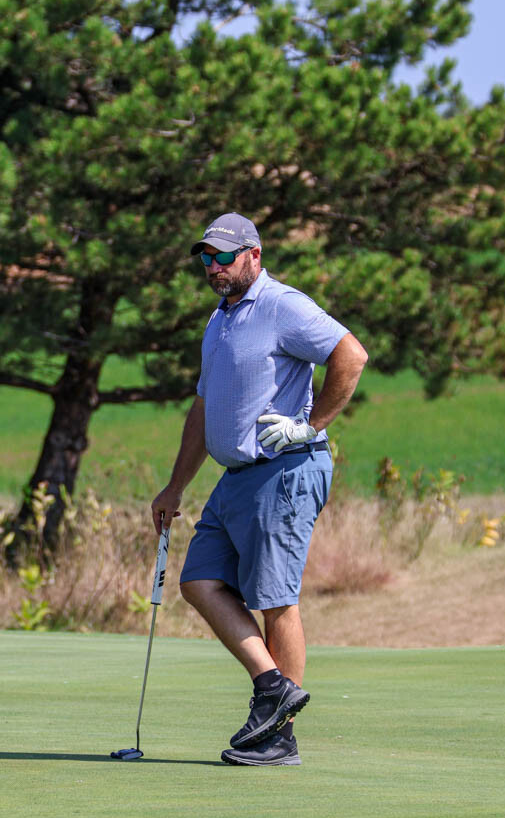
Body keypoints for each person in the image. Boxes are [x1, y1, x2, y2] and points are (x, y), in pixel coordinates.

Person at [151, 213, 368, 767]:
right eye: (206, 258)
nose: (213, 267)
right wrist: (175, 486)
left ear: (254, 254)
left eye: (224, 256)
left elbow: (351, 355)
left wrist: (309, 426)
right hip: (236, 479)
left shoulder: (281, 305)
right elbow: (204, 407)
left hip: (285, 468)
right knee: (198, 581)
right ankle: (274, 686)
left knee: (275, 601)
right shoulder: (219, 320)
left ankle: (279, 738)